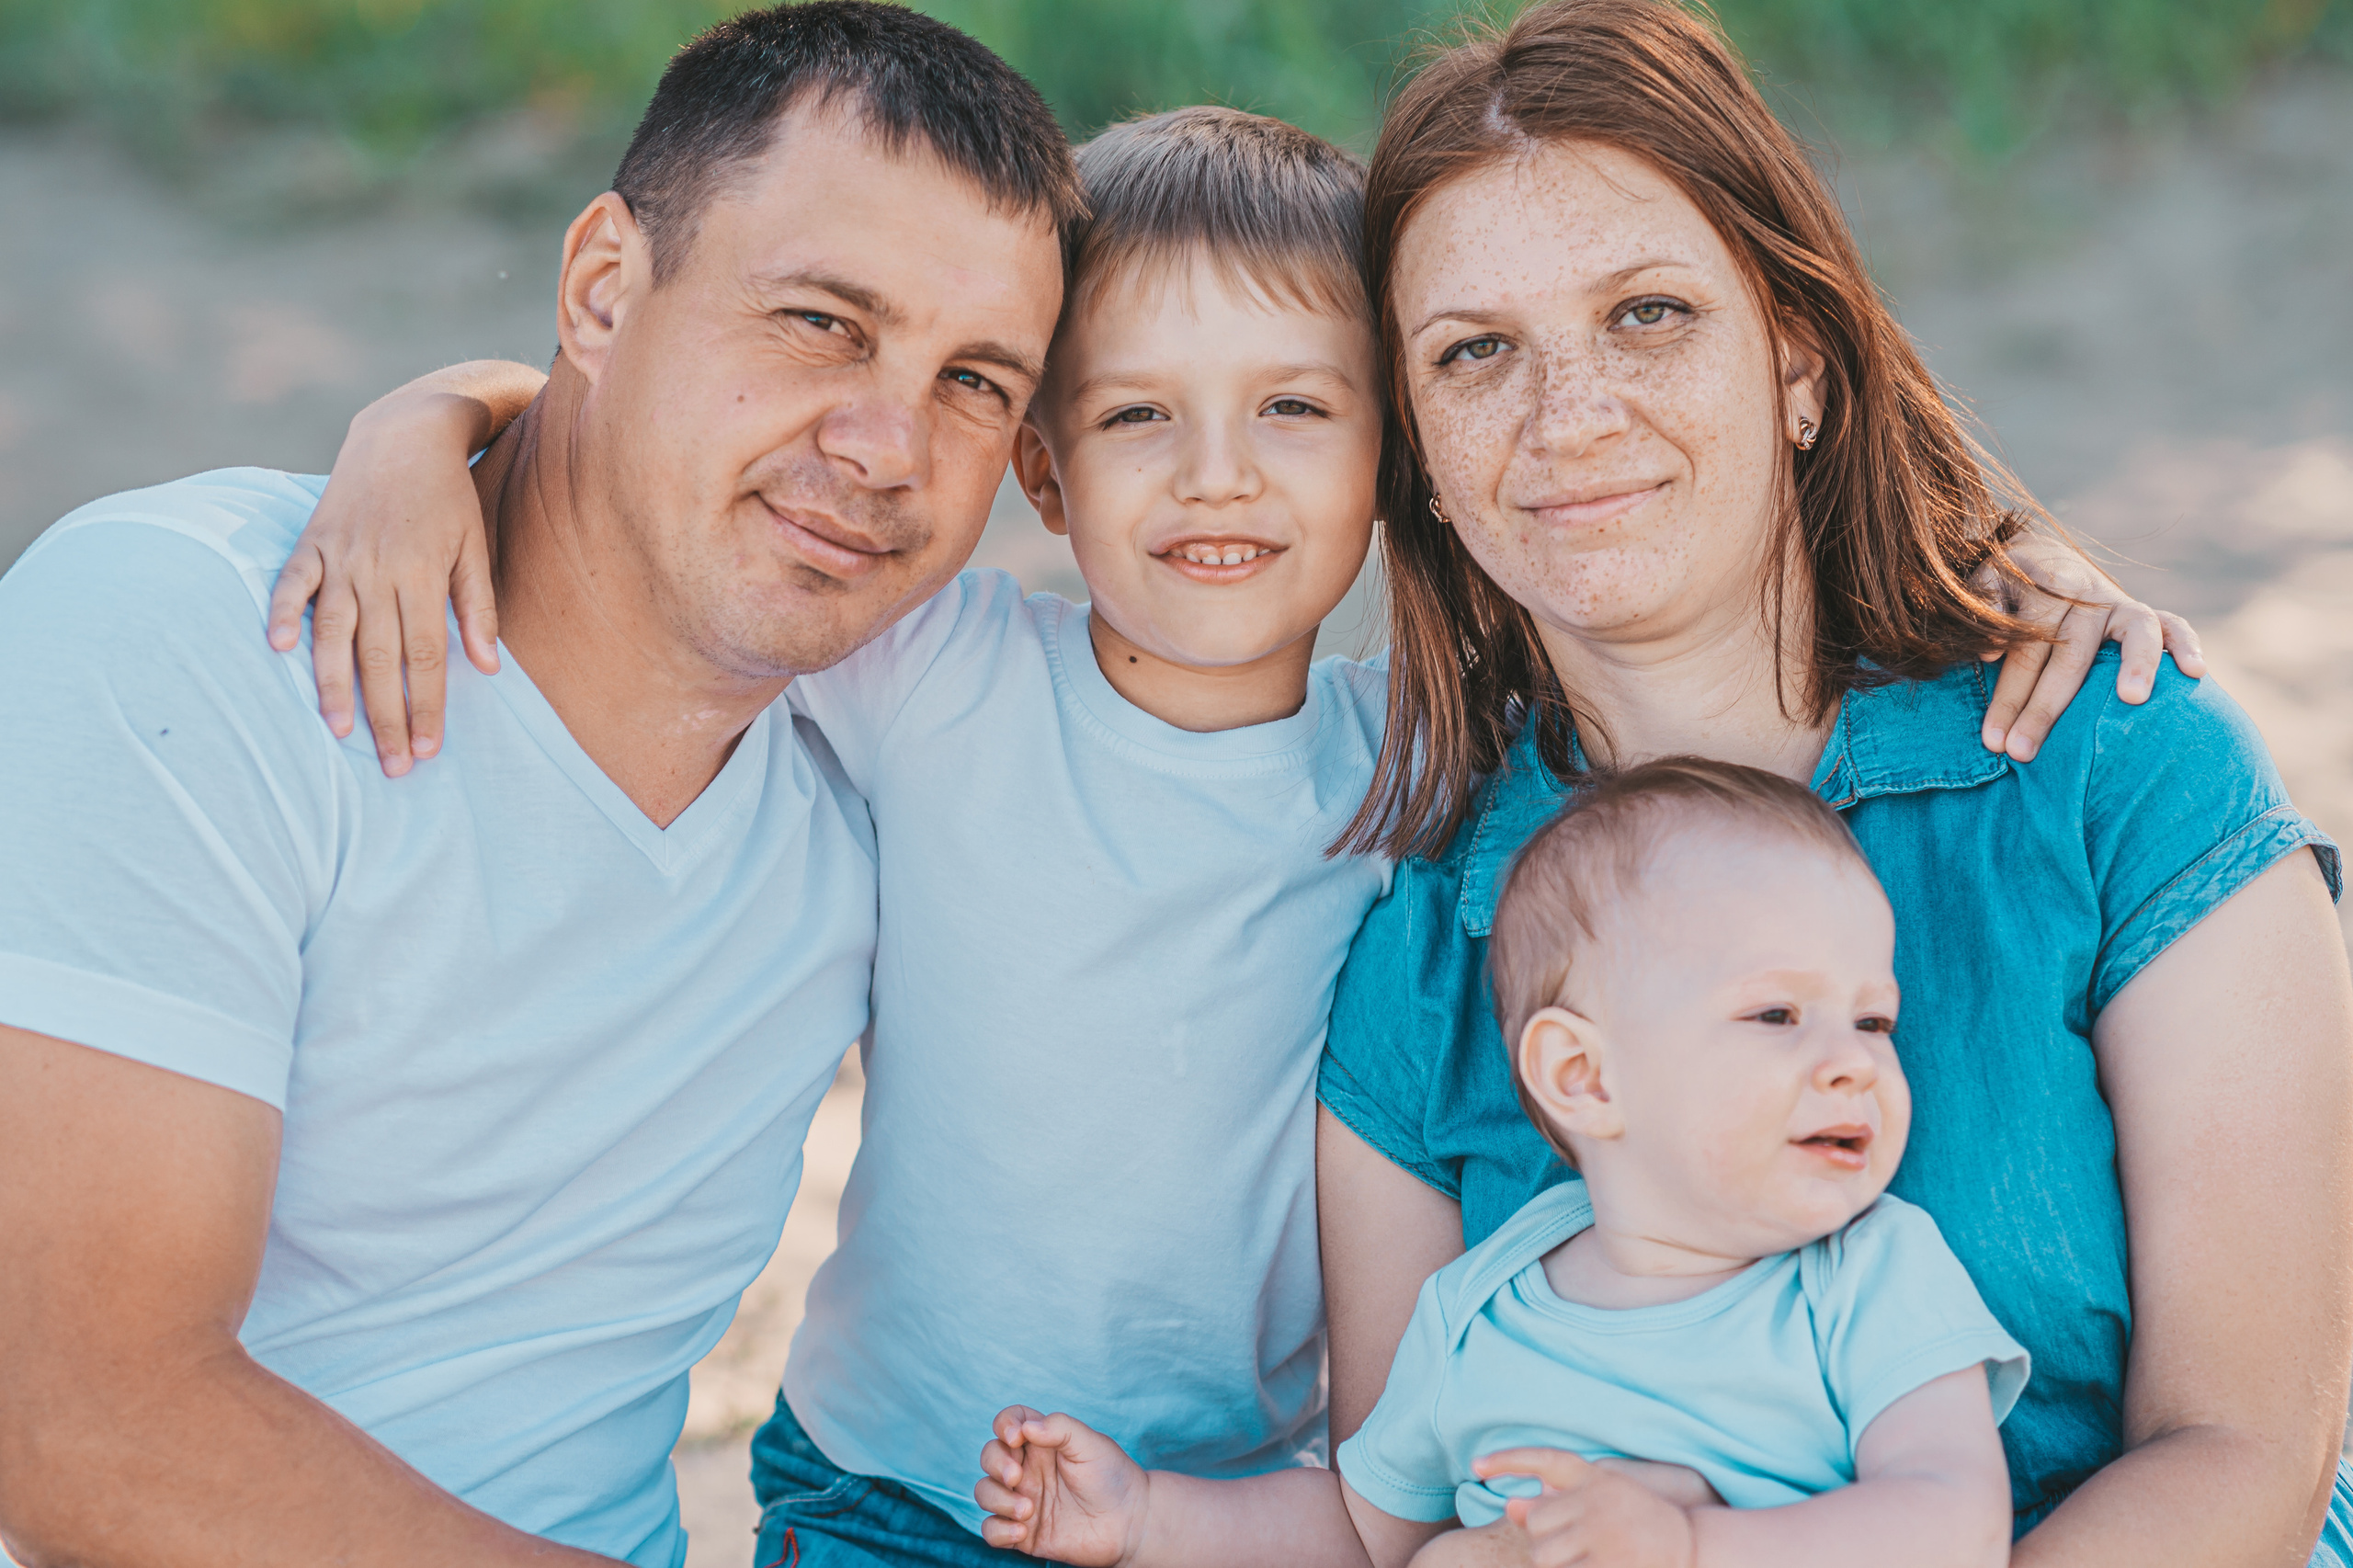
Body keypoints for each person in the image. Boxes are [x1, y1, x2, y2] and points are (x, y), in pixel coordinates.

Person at [0, 7, 1077, 1568]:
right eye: (822, 322)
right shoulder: (189, 636)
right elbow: (81, 1427)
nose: (886, 445)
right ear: (601, 287)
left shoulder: (887, 775)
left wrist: (446, 408)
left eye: (977, 381)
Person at [1305, 3, 2353, 1565]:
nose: (1569, 416)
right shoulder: (1428, 940)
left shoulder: (2113, 761)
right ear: (1427, 467)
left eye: (1648, 315)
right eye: (1475, 355)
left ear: (1798, 360)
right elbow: (1404, 1530)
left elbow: (2249, 1451)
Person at [979, 758, 2030, 1568]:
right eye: (1776, 1013)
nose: (1852, 1061)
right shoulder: (1483, 1303)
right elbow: (1362, 1525)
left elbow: (1953, 1521)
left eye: (1874, 1018)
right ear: (1583, 1074)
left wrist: (1689, 1546)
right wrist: (1147, 1515)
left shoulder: (1870, 1274)